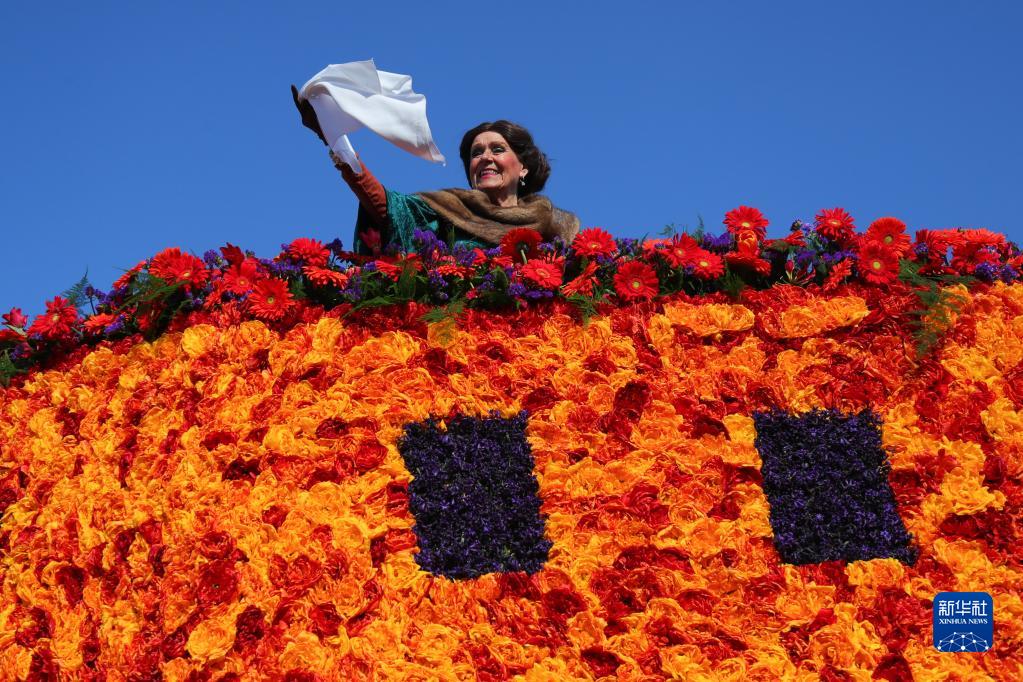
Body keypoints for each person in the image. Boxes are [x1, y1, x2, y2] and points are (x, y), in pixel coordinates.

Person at [291, 86, 580, 256]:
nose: (485, 158)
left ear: (524, 168)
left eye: (497, 149)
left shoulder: (557, 229)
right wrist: (334, 138)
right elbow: (389, 209)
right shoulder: (447, 210)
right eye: (476, 153)